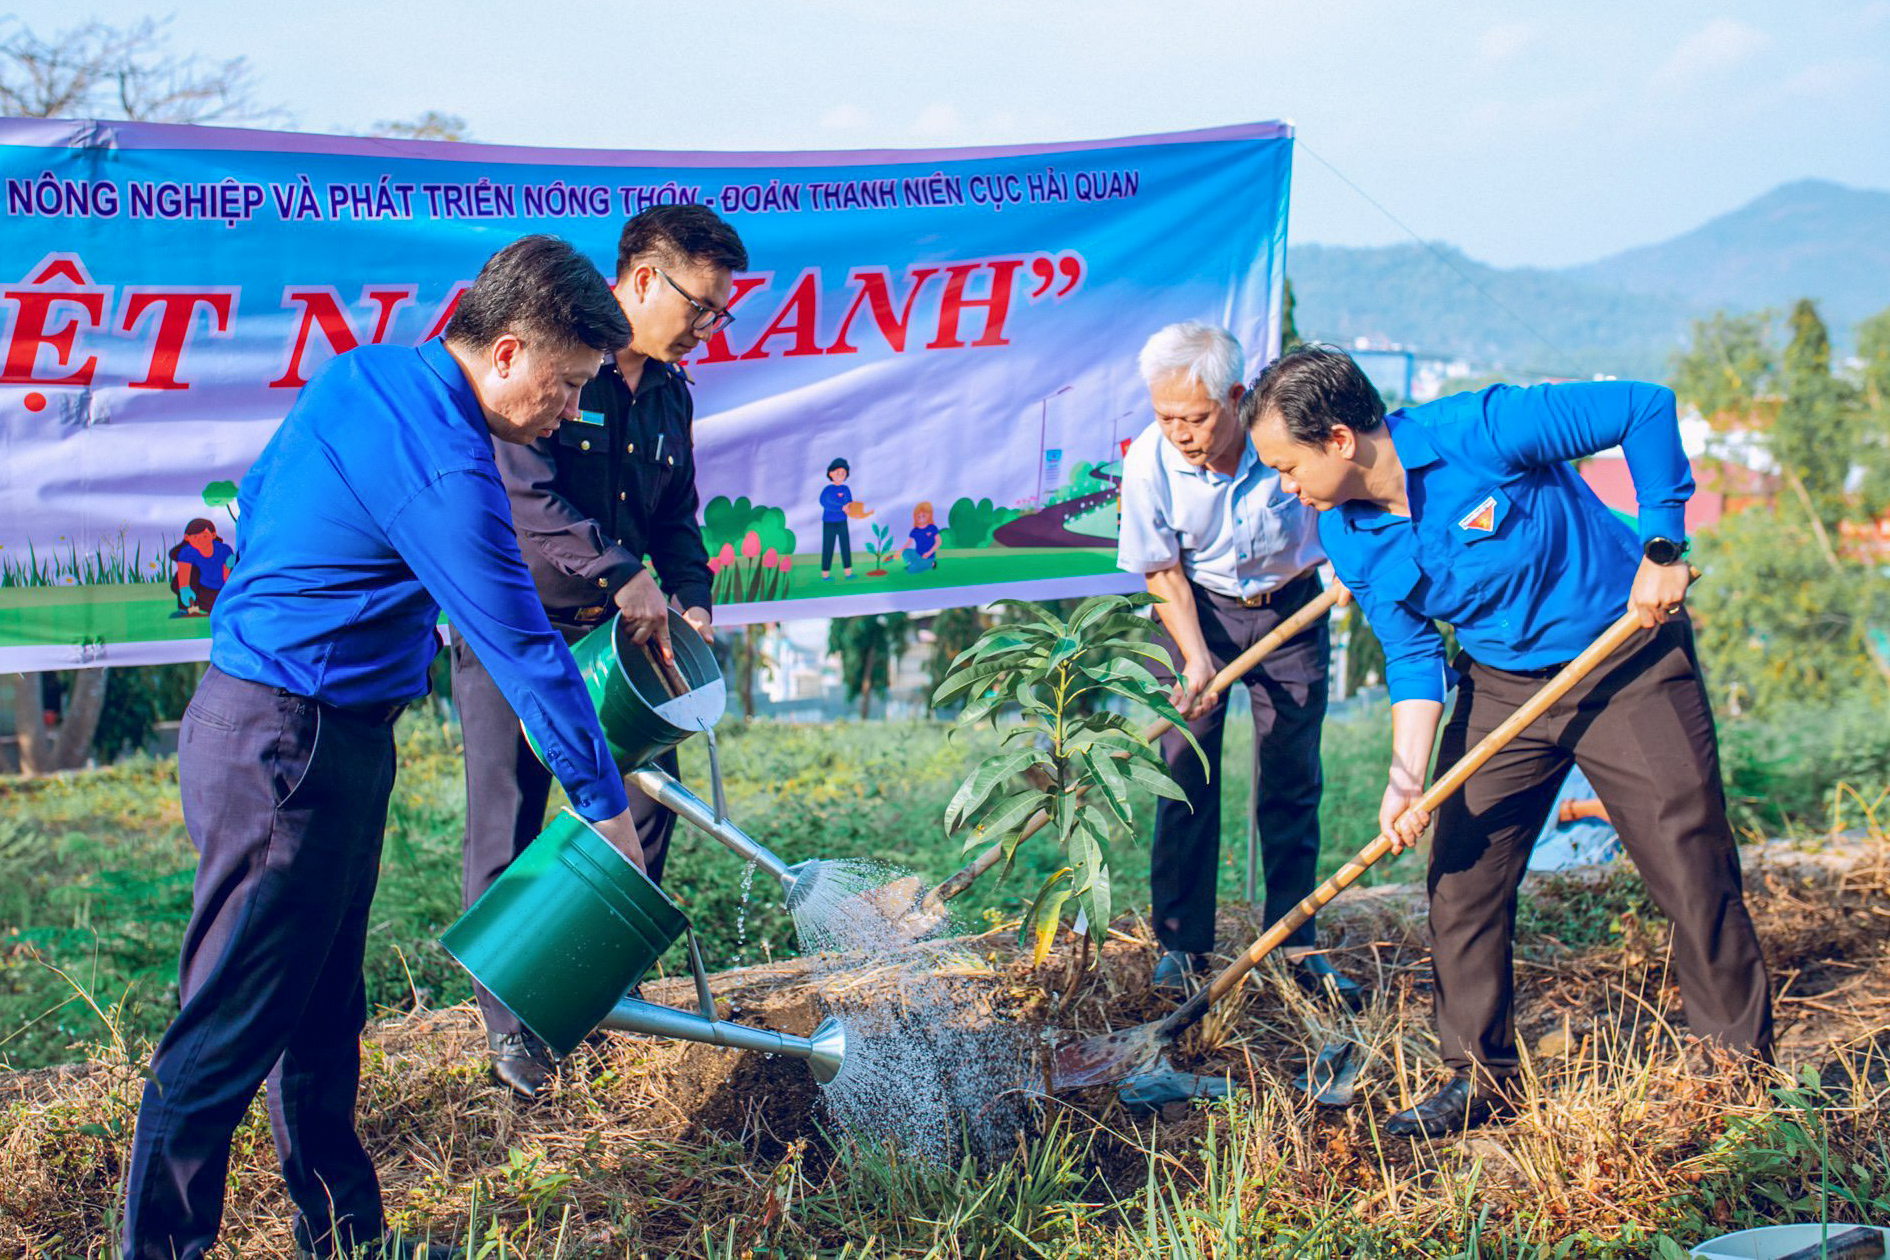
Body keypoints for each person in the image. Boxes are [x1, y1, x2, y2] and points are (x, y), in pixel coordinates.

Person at [120, 235, 645, 1260]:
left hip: (305, 731)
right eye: (567, 381)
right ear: (505, 354)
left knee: (321, 1010)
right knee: (225, 1026)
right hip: (290, 745)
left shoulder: (366, 375)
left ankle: (347, 1241)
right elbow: (524, 647)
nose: (571, 408)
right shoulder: (450, 465)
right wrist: (607, 809)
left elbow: (265, 498)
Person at [1245, 346, 1774, 1138]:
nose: (1286, 486)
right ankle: (1478, 1076)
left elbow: (1644, 404)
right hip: (1500, 687)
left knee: (1689, 859)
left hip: (1625, 655)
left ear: (1340, 441)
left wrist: (1663, 547)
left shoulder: (1481, 430)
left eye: (1287, 466)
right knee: (1461, 876)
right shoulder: (1346, 535)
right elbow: (1416, 655)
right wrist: (1403, 780)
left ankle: (1737, 1077)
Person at [452, 205, 746, 1099]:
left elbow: (677, 518)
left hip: (630, 640)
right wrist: (622, 573)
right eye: (702, 305)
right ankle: (515, 1030)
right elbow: (525, 499)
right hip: (519, 629)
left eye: (721, 314)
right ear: (645, 279)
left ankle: (592, 994)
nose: (708, 326)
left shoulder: (669, 391)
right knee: (509, 818)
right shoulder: (552, 362)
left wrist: (690, 600)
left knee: (641, 814)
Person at [1115, 323, 1359, 1008]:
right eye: (1166, 418)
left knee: (1291, 773)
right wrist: (1194, 656)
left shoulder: (1281, 441)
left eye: (1194, 418)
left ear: (1235, 396)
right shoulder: (1148, 464)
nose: (1180, 433)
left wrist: (1346, 566)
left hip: (1292, 609)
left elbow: (1342, 500)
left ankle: (1293, 939)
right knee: (1183, 774)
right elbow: (1160, 569)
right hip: (1199, 612)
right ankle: (1180, 947)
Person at [169, 517, 234, 616]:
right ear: (187, 537)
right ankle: (188, 610)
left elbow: (227, 579)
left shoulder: (223, 550)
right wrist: (185, 590)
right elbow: (184, 576)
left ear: (213, 535)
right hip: (200, 591)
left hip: (219, 592)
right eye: (195, 537)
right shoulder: (187, 551)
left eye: (204, 536)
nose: (200, 541)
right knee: (186, 575)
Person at [902, 500, 940, 572]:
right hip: (917, 554)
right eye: (918, 516)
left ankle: (930, 564)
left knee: (910, 571)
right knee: (905, 552)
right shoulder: (915, 530)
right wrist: (900, 551)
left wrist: (929, 553)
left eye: (923, 516)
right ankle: (914, 563)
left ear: (929, 515)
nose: (921, 518)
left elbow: (938, 542)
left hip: (928, 557)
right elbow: (908, 543)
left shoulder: (932, 528)